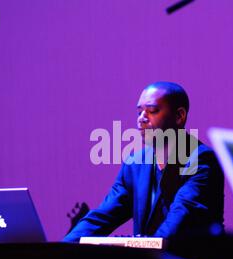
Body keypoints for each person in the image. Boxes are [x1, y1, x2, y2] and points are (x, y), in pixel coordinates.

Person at [63, 81, 224, 242]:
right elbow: (101, 217)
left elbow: (176, 226)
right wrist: (61, 250)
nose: (141, 118)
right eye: (139, 112)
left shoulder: (201, 160)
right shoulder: (135, 164)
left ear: (179, 116)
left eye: (152, 111)